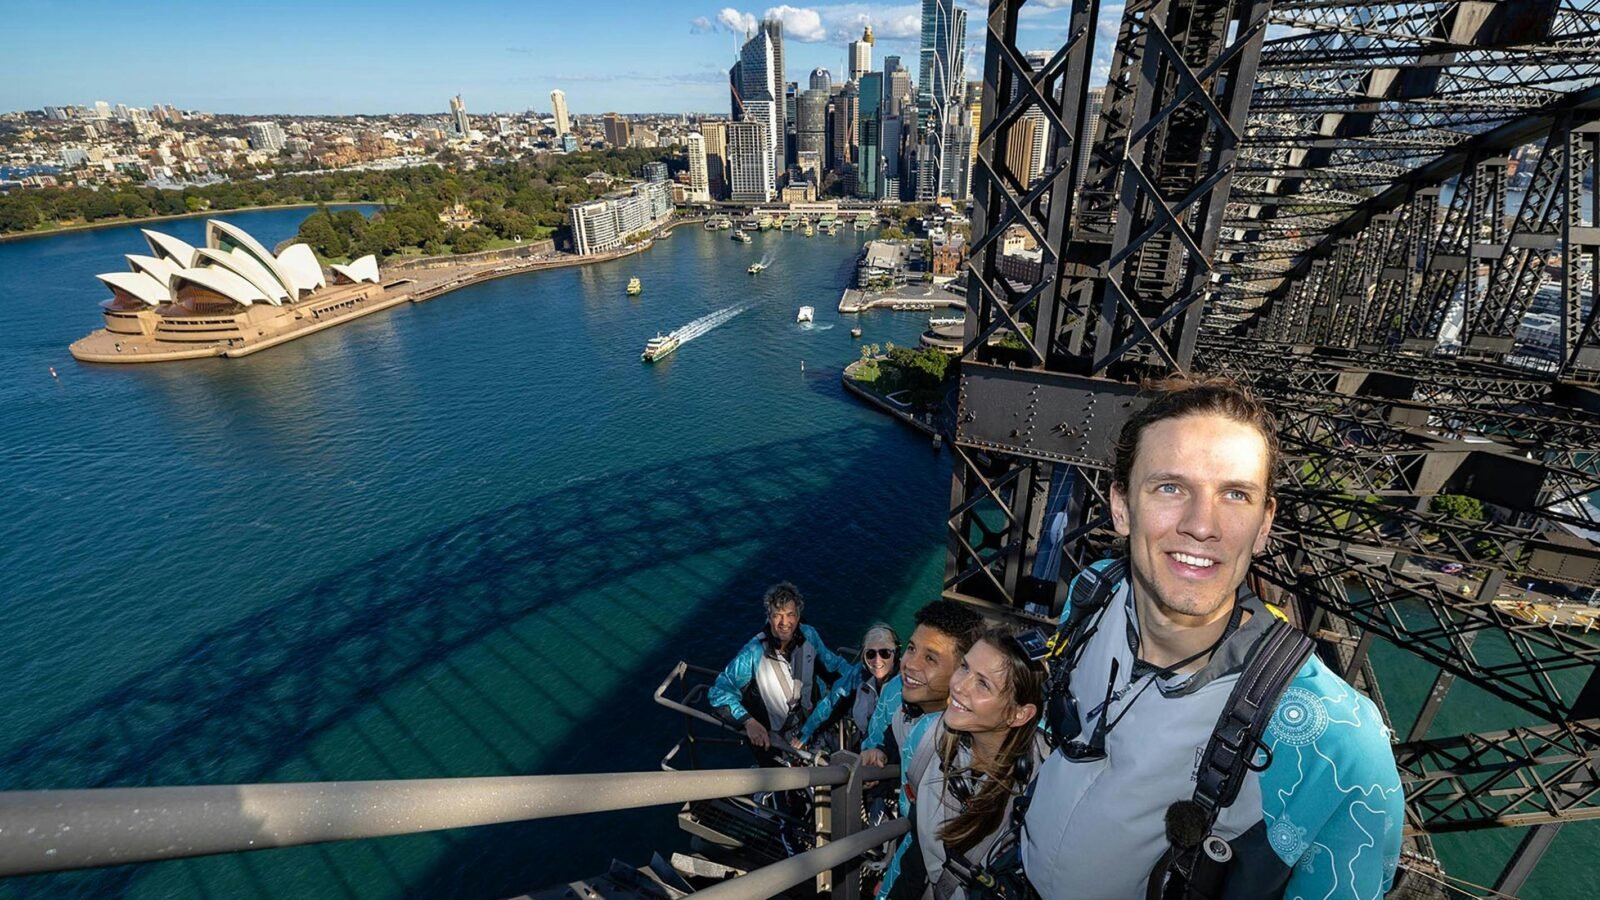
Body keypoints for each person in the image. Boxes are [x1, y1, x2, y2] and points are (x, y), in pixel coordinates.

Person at [1020, 376, 1405, 899]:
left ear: (1264, 524)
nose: (1202, 525)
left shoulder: (1337, 744)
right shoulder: (1094, 592)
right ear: (1121, 506)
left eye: (1235, 494)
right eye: (1171, 487)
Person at [883, 628, 1048, 899]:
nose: (959, 685)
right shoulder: (928, 740)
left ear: (1019, 714)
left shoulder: (1043, 790)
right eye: (964, 667)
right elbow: (917, 849)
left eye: (983, 683)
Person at [709, 581, 850, 848]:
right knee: (791, 799)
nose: (784, 623)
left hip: (808, 730)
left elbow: (833, 666)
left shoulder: (809, 636)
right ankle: (791, 841)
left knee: (820, 781)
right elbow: (719, 691)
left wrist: (868, 679)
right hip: (772, 738)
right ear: (769, 617)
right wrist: (748, 721)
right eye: (778, 615)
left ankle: (812, 825)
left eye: (791, 615)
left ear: (799, 616)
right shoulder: (754, 652)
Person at [858, 599, 986, 813]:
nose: (910, 664)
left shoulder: (972, 746)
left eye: (930, 658)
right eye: (911, 648)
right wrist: (881, 752)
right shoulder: (900, 706)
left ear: (963, 672)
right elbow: (889, 739)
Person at [793, 622, 900, 753]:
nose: (877, 661)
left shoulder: (905, 685)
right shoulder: (858, 676)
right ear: (863, 656)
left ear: (896, 653)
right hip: (868, 748)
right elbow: (832, 702)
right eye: (870, 654)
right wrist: (806, 733)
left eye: (885, 653)